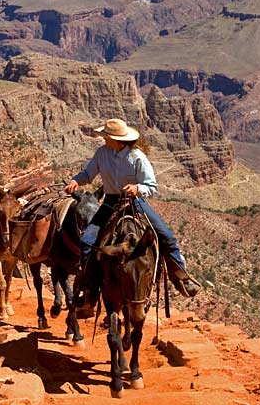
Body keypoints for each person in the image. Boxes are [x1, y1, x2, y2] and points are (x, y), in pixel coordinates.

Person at [64, 118, 201, 307]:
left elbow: (151, 186)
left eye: (106, 136)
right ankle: (90, 287)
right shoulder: (102, 153)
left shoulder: (137, 157)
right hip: (111, 202)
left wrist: (137, 188)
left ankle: (181, 277)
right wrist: (76, 181)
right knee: (87, 241)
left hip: (135, 202)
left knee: (166, 236)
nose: (103, 139)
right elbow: (88, 174)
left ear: (115, 139)